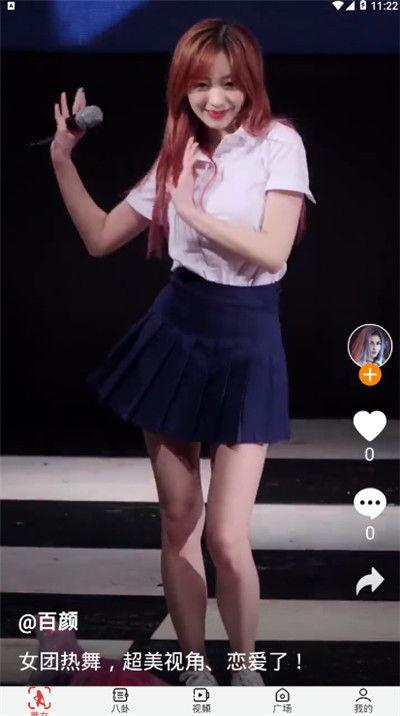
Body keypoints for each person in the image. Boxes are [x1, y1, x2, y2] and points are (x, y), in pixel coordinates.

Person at [50, 18, 316, 687]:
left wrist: (193, 212)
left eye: (228, 83)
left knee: (226, 535)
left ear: (250, 81)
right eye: (200, 85)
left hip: (248, 339)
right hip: (177, 333)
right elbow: (101, 237)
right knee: (179, 521)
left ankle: (246, 669)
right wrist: (62, 161)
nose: (214, 98)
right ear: (182, 88)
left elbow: (273, 249)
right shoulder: (176, 154)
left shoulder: (279, 144)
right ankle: (195, 667)